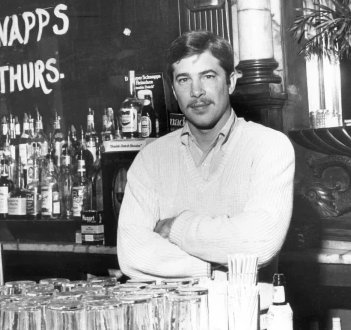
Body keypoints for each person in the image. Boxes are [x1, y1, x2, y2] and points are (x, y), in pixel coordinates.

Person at [117, 30, 295, 280]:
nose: (196, 91)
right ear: (173, 89)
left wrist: (177, 226)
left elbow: (261, 240)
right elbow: (132, 254)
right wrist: (214, 269)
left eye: (208, 76)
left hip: (243, 316)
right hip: (171, 317)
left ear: (231, 82)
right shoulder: (152, 157)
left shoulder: (269, 146)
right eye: (184, 80)